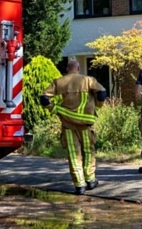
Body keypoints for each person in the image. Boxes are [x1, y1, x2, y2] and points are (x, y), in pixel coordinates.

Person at [41, 59, 108, 195]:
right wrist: (97, 106)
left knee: (73, 153)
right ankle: (90, 180)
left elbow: (44, 98)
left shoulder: (59, 82)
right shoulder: (88, 80)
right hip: (86, 124)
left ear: (67, 69)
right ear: (78, 68)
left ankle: (79, 185)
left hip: (68, 125)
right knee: (88, 151)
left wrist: (55, 109)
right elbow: (102, 93)